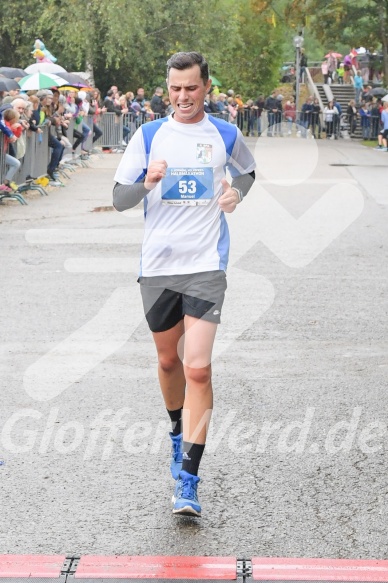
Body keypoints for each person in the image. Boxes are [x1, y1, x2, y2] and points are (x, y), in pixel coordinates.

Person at [112, 51, 256, 518]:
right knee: (168, 360)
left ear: (207, 87)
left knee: (198, 369)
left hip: (206, 264)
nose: (182, 97)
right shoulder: (149, 134)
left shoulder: (225, 133)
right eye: (175, 88)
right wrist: (147, 183)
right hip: (157, 267)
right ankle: (177, 432)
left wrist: (236, 192)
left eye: (191, 88)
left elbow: (248, 171)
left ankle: (189, 482)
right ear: (166, 88)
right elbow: (119, 199)